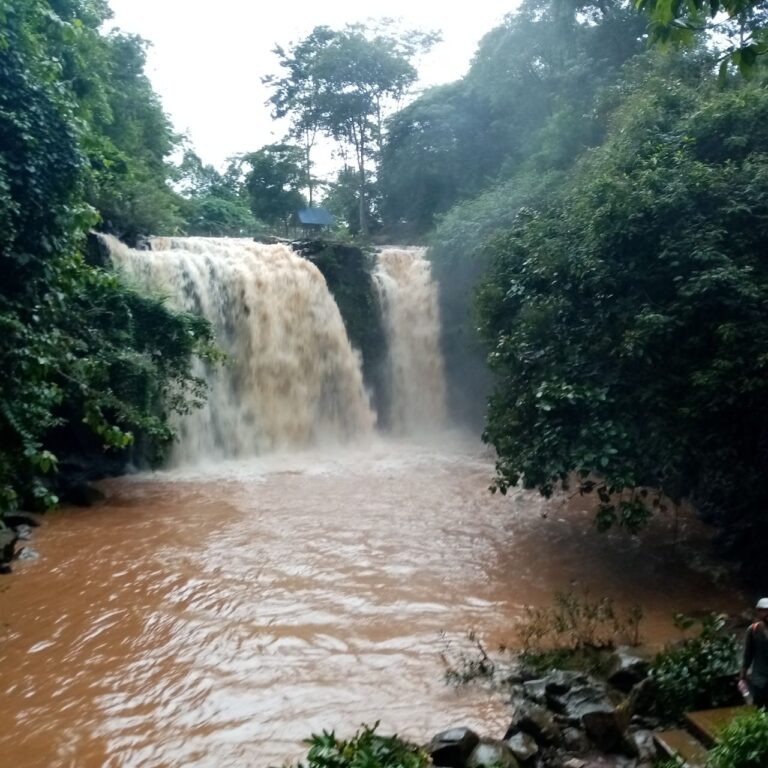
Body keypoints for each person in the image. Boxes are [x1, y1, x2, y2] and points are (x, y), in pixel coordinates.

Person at [741, 597, 768, 707]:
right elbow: (748, 654)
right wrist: (742, 675)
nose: (767, 613)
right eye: (764, 610)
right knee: (760, 708)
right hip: (760, 679)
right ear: (758, 612)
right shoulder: (753, 630)